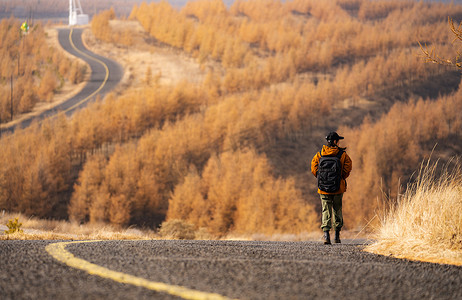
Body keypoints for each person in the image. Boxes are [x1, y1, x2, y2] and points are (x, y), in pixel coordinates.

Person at [311, 132, 352, 244]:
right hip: (338, 187)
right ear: (335, 141)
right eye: (338, 140)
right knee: (337, 209)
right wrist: (341, 178)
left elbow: (313, 168)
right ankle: (337, 236)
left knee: (326, 210)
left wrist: (322, 178)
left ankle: (326, 235)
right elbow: (348, 167)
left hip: (323, 188)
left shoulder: (319, 154)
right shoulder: (342, 155)